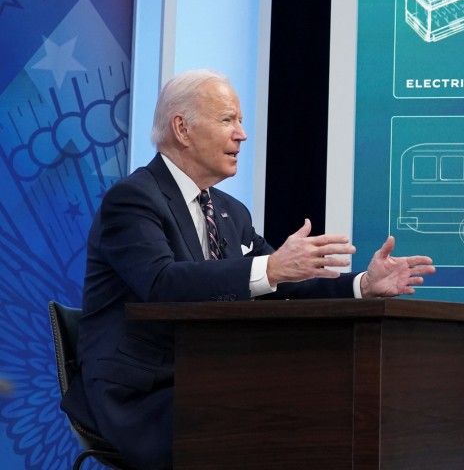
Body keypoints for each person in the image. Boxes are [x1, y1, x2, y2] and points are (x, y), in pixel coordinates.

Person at [61, 69, 435, 469]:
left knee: (312, 411)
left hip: (213, 381)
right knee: (275, 423)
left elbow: (283, 285)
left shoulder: (229, 211)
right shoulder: (133, 199)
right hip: (142, 394)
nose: (241, 134)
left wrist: (363, 285)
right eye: (227, 120)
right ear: (182, 129)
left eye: (240, 121)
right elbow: (162, 282)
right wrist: (271, 268)